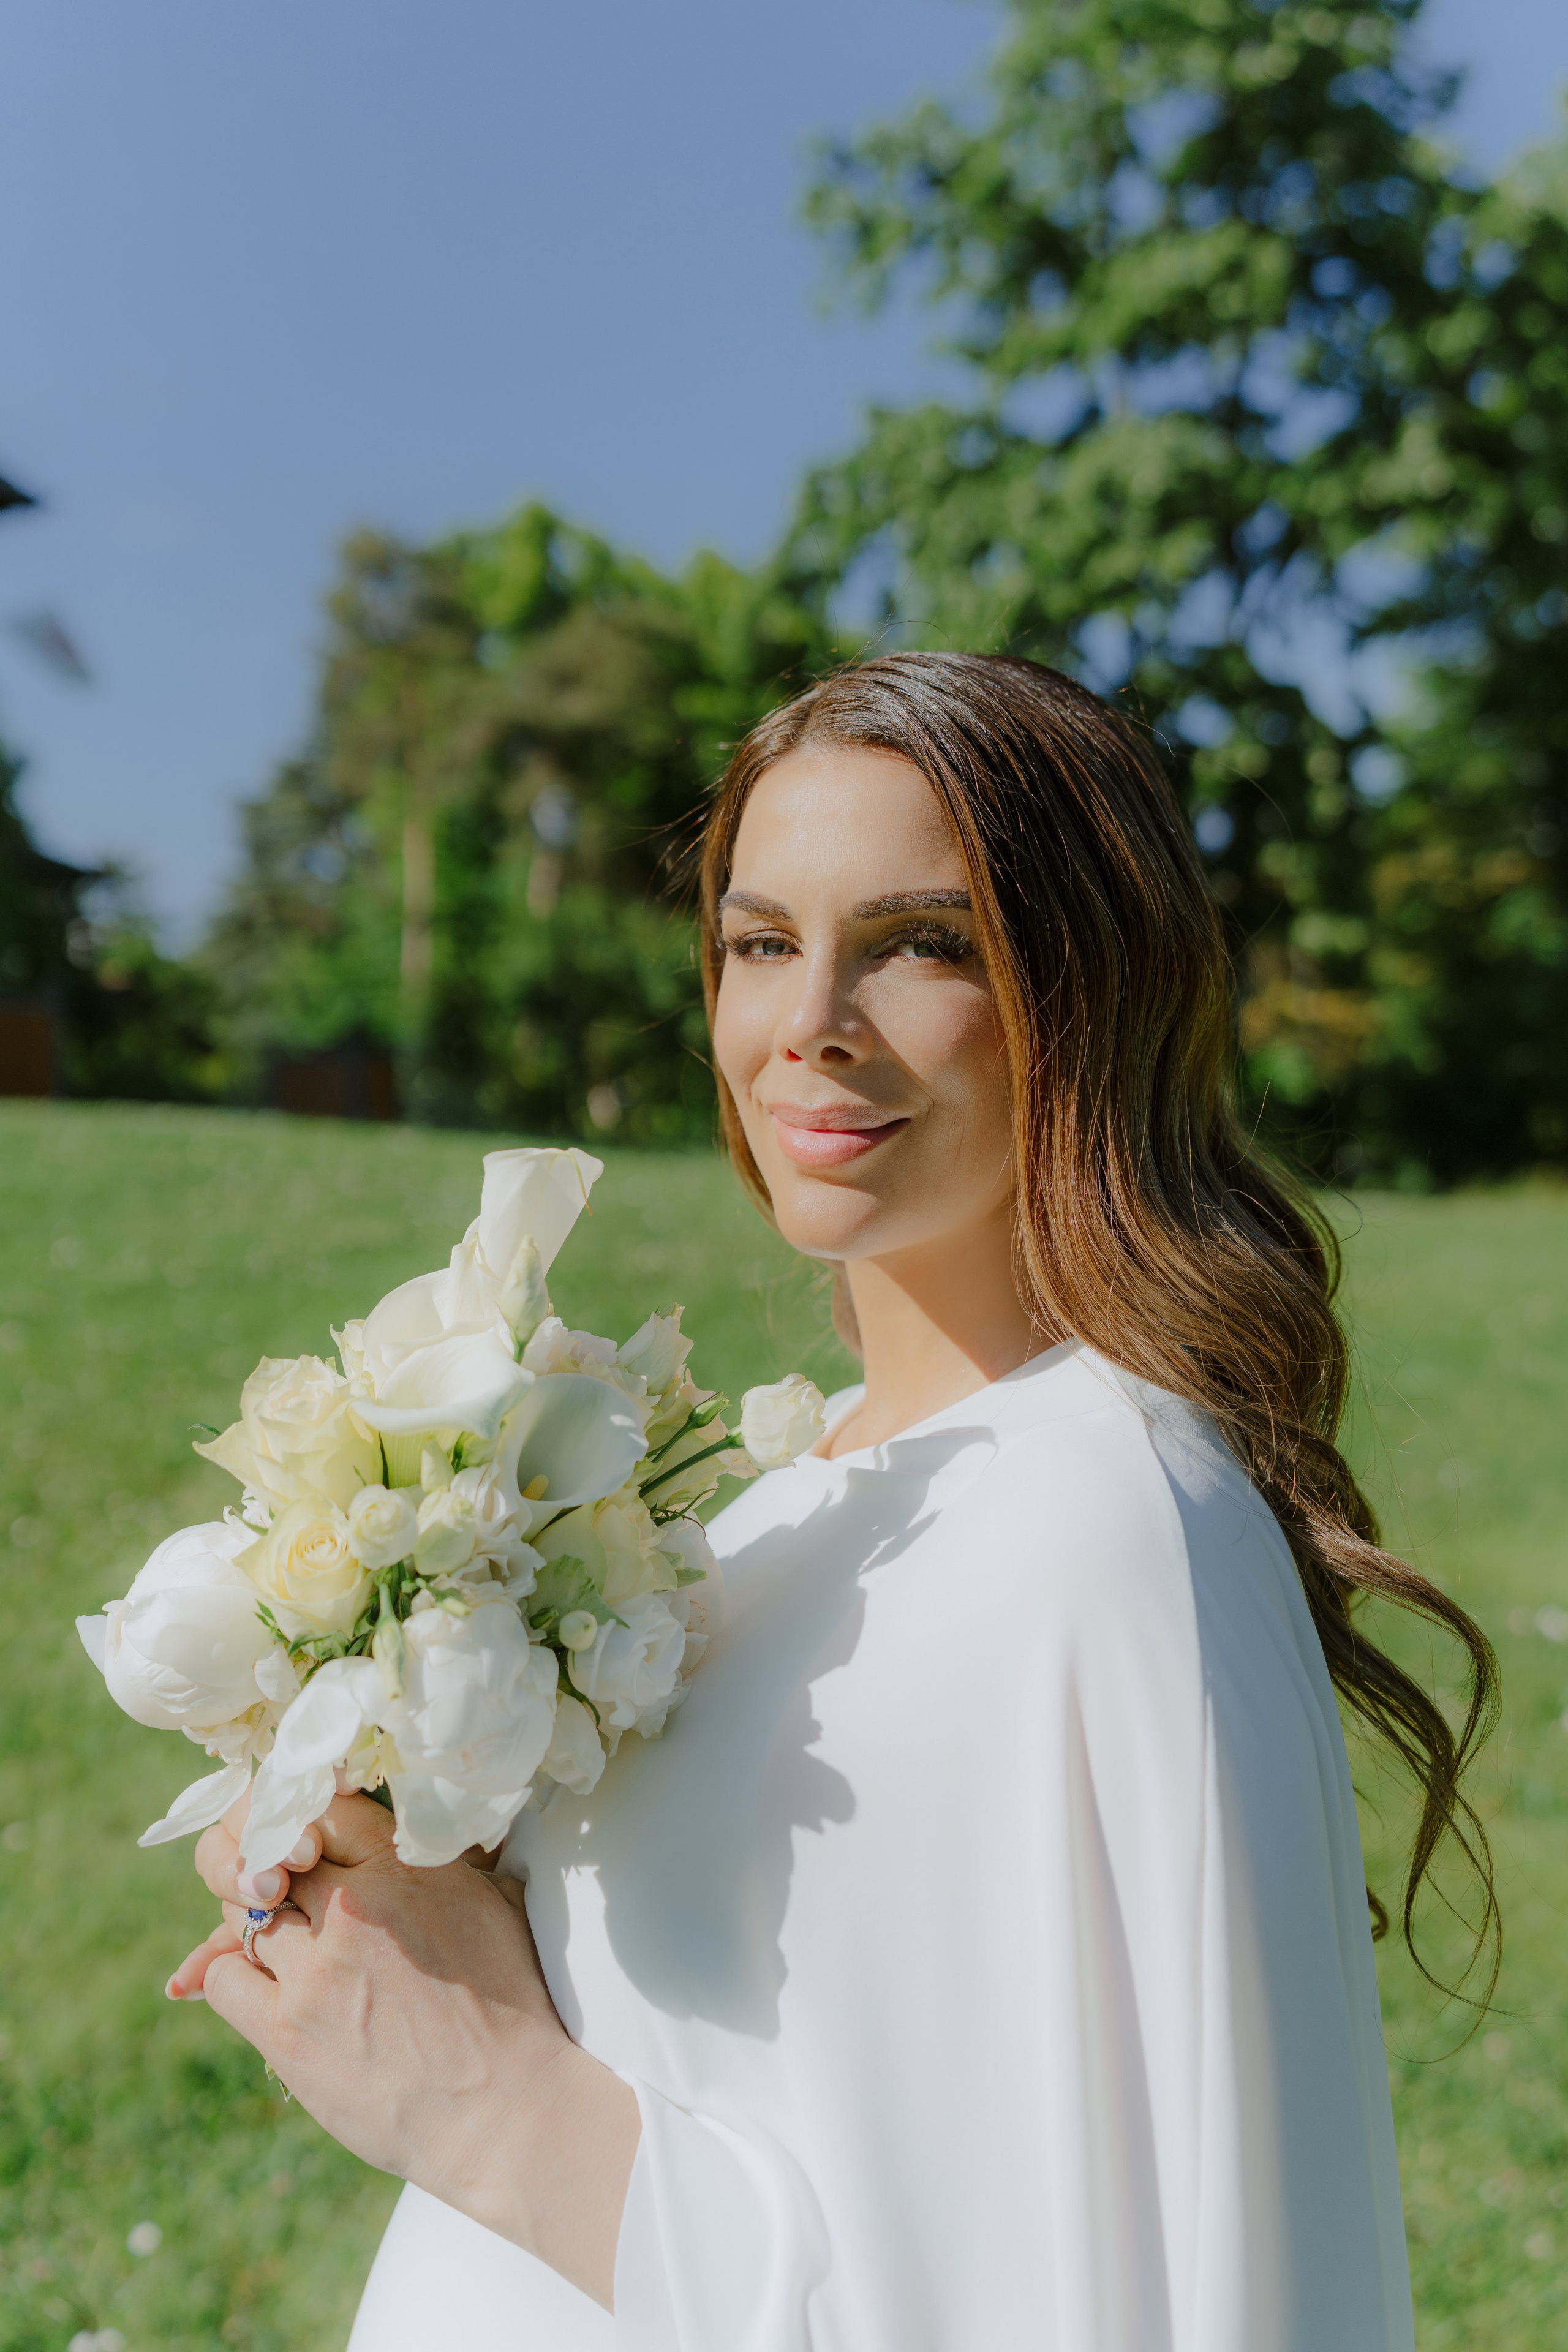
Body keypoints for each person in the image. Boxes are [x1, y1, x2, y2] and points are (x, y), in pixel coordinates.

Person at [169, 652, 1496, 2350]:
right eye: (761, 941)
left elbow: (1057, 2294)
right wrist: (414, 1902)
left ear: (1093, 991)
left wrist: (489, 2103)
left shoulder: (1096, 1536)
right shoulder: (773, 1510)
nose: (808, 1027)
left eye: (925, 943)